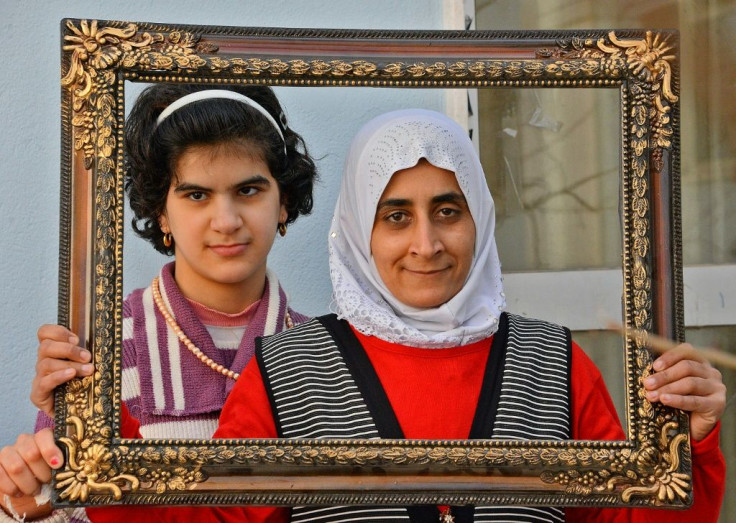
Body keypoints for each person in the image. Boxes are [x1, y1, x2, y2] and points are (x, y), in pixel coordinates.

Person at [14, 109, 729, 522]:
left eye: (447, 210)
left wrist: (690, 443)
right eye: (396, 216)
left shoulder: (554, 363)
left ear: (478, 218)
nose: (426, 243)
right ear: (360, 231)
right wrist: (99, 429)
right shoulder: (287, 371)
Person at [0, 83, 318, 521]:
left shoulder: (324, 353)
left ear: (282, 201)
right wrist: (25, 504)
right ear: (162, 212)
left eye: (248, 191)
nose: (226, 221)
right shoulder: (102, 350)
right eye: (196, 195)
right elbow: (64, 507)